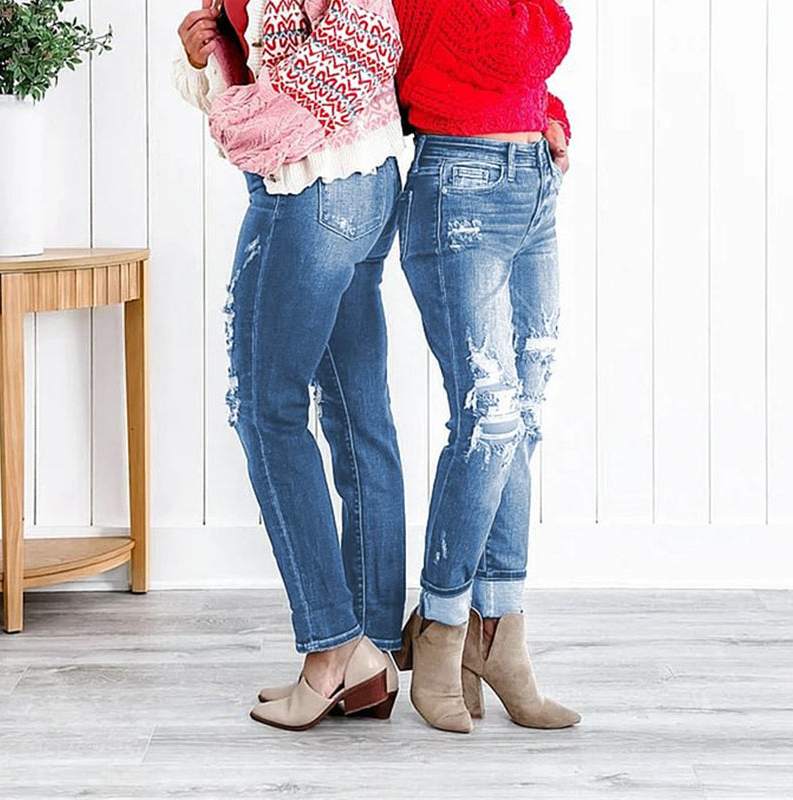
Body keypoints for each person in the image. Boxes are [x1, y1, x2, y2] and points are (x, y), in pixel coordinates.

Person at [173, 0, 407, 731]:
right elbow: (277, 77)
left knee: (267, 412)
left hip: (309, 190)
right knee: (357, 416)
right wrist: (207, 58)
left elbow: (294, 109)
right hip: (368, 181)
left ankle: (332, 651)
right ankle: (372, 654)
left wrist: (231, 111)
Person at [391, 0, 582, 733]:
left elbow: (520, 64)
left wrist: (546, 112)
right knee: (491, 423)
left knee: (520, 425)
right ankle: (441, 626)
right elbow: (517, 40)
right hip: (458, 188)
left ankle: (498, 632)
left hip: (531, 182)